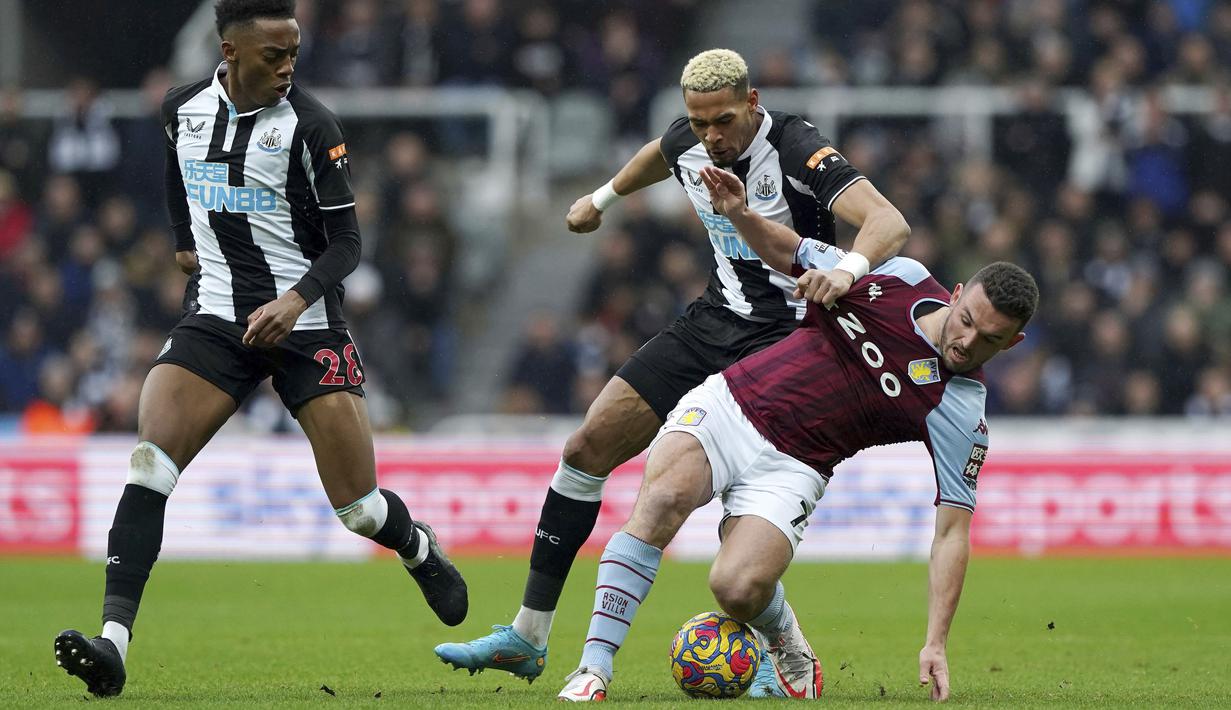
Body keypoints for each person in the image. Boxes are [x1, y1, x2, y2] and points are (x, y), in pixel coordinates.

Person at [436, 47, 910, 687]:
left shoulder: (798, 148)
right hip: (713, 323)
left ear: (752, 102)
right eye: (699, 121)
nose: (710, 136)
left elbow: (888, 221)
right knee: (586, 446)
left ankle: (786, 648)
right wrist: (600, 198)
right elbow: (660, 155)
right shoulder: (692, 135)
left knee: (735, 541)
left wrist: (846, 270)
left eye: (722, 122)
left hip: (788, 344)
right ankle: (528, 635)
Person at [53, 0, 467, 698]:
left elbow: (348, 245)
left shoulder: (311, 126)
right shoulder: (181, 107)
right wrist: (185, 237)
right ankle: (114, 643)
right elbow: (172, 172)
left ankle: (416, 546)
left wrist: (294, 300)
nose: (287, 67)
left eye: (293, 52)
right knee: (150, 464)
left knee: (358, 509)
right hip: (216, 320)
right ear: (229, 51)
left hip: (305, 326)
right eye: (273, 55)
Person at [555, 166, 1039, 701]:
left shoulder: (961, 411)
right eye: (966, 318)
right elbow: (793, 251)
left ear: (1011, 344)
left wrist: (936, 642)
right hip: (732, 403)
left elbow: (951, 532)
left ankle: (784, 637)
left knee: (736, 588)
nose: (968, 340)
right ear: (956, 293)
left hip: (797, 465)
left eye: (988, 338)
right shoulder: (897, 277)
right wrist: (741, 214)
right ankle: (594, 668)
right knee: (662, 499)